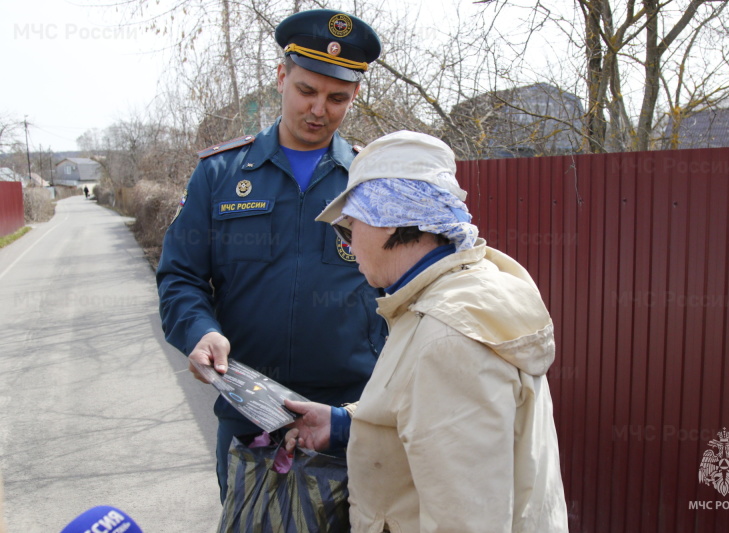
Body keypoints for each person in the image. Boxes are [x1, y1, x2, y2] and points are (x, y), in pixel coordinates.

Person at [285, 130, 569, 532]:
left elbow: (467, 521)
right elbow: (426, 418)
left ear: (389, 221)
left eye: (349, 229)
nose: (349, 249)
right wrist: (343, 424)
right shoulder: (457, 296)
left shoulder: (448, 337)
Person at [156, 9, 386, 503]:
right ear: (281, 77)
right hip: (248, 421)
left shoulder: (373, 183)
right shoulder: (219, 175)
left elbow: (407, 292)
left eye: (337, 98)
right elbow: (180, 277)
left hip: (351, 423)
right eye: (307, 90)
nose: (319, 109)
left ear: (355, 97)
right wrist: (200, 332)